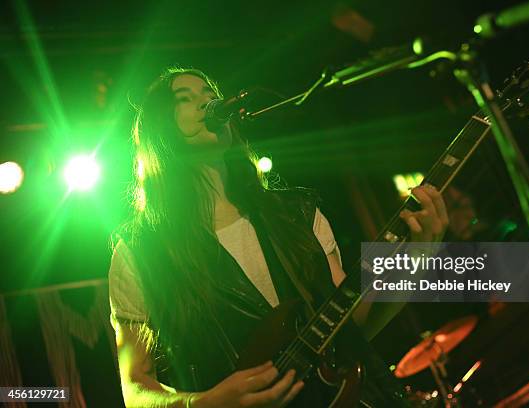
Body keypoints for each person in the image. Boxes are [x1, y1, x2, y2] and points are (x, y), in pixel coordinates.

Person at [108, 67, 448, 407]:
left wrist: (420, 255)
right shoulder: (140, 252)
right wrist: (203, 403)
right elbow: (134, 385)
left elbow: (351, 328)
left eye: (210, 95)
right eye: (186, 98)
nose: (207, 102)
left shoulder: (296, 213)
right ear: (158, 131)